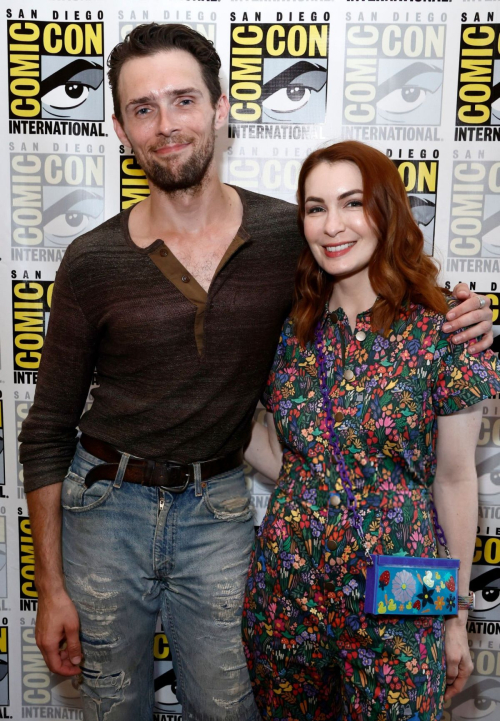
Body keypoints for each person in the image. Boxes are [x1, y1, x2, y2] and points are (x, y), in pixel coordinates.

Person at [18, 23, 492, 721]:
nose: (332, 225)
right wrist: (51, 584)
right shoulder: (111, 264)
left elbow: (453, 471)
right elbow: (54, 430)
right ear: (119, 128)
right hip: (256, 562)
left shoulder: (388, 302)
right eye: (143, 109)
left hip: (385, 565)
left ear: (220, 107)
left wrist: (460, 311)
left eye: (183, 100)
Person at [242, 141, 500, 721]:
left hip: (405, 596)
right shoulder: (289, 331)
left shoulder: (444, 331)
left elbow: (456, 479)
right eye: (314, 207)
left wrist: (455, 616)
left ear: (386, 211)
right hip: (289, 590)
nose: (332, 225)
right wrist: (315, 483)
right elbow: (241, 428)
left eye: (352, 203)